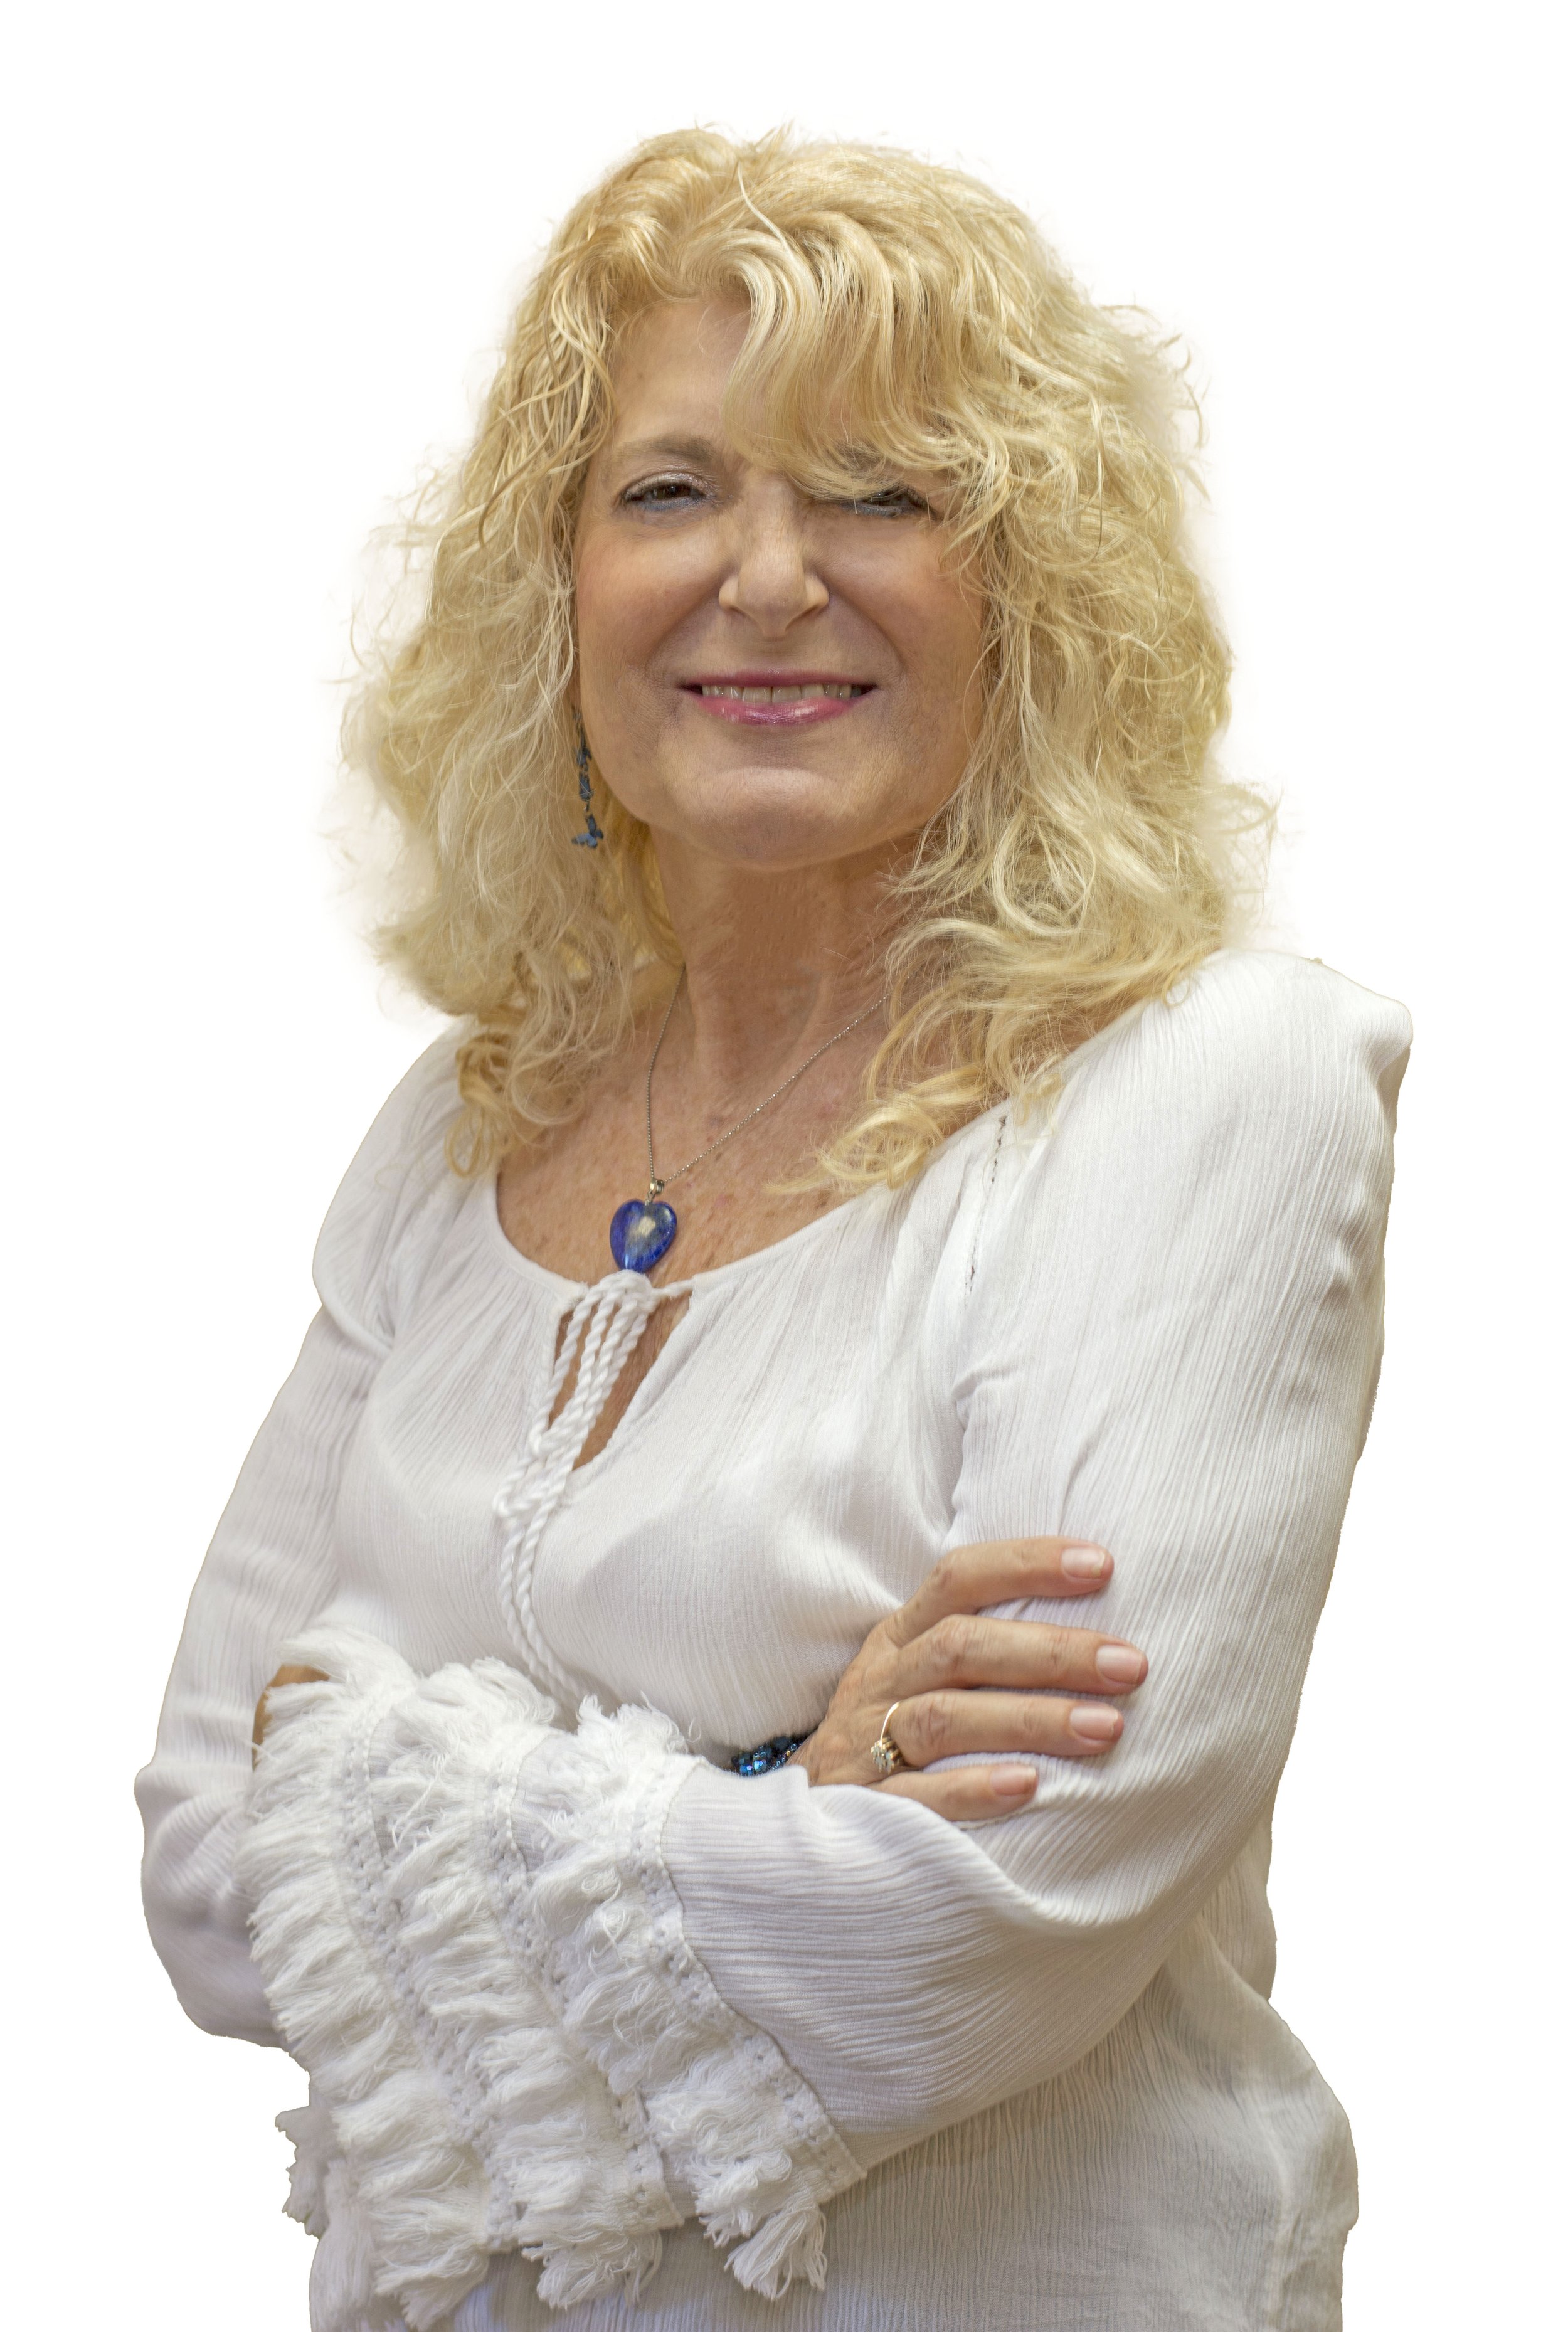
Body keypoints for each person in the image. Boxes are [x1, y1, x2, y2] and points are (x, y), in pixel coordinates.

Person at [137, 129, 1411, 2332]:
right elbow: (200, 1869)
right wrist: (767, 1780)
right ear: (555, 582)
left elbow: (974, 1924)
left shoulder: (1207, 1083)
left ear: (1033, 584)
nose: (763, 577)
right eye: (670, 490)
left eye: (883, 492)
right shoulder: (463, 1125)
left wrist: (399, 1776)